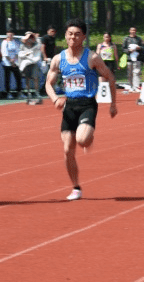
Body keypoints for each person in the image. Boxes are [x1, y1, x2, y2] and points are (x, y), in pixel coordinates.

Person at [45, 18, 118, 200]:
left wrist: (113, 104)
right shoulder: (58, 59)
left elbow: (110, 77)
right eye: (70, 34)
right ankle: (76, 187)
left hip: (87, 105)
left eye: (77, 34)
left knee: (82, 139)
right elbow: (49, 83)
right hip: (69, 106)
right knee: (68, 149)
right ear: (65, 36)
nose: (73, 37)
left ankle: (87, 138)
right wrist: (55, 99)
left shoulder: (92, 57)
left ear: (83, 37)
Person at [18, 31, 42, 98]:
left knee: (35, 78)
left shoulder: (36, 44)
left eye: (30, 37)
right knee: (27, 78)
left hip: (34, 63)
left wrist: (34, 36)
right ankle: (29, 93)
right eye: (28, 37)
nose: (29, 38)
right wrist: (26, 54)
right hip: (26, 64)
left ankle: (37, 92)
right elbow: (20, 54)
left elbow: (39, 44)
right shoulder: (22, 45)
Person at [0, 30, 23, 98]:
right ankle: (8, 93)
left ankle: (19, 92)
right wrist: (11, 61)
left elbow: (17, 52)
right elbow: (5, 53)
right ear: (7, 34)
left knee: (18, 77)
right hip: (7, 63)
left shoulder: (15, 42)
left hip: (15, 63)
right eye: (9, 34)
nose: (10, 35)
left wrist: (14, 60)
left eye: (11, 34)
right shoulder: (4, 42)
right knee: (7, 78)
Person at [121, 27, 144, 92]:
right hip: (129, 59)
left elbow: (143, 47)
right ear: (129, 31)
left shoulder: (139, 39)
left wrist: (139, 47)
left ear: (136, 31)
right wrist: (129, 50)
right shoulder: (126, 39)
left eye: (134, 30)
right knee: (129, 73)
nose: (133, 31)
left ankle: (136, 87)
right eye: (132, 30)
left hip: (137, 58)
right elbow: (123, 49)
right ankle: (131, 86)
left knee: (136, 73)